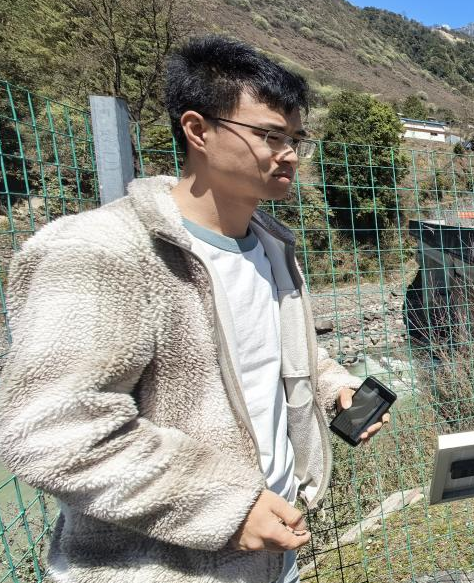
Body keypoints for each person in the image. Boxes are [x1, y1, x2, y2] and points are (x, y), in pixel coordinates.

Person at [0, 36, 388, 583]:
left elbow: (268, 356)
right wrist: (227, 507)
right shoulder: (99, 251)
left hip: (272, 556)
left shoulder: (271, 246)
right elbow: (52, 430)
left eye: (296, 138)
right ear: (198, 130)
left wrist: (332, 388)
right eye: (270, 135)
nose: (291, 154)